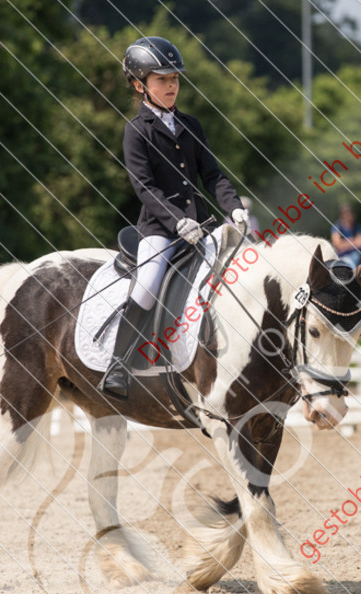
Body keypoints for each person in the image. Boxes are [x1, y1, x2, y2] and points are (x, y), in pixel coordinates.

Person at [102, 36, 247, 399]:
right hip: (161, 229)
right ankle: (119, 365)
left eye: (175, 79)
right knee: (148, 283)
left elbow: (212, 176)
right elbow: (144, 187)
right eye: (162, 79)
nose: (171, 86)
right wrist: (176, 220)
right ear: (140, 85)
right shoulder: (136, 131)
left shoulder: (191, 125)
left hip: (201, 226)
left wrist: (233, 207)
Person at [330, 204, 361, 268]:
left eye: (350, 213)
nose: (349, 215)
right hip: (341, 256)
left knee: (355, 256)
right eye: (346, 213)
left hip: (355, 255)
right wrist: (353, 241)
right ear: (342, 215)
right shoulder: (337, 227)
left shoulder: (358, 226)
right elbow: (337, 245)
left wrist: (344, 242)